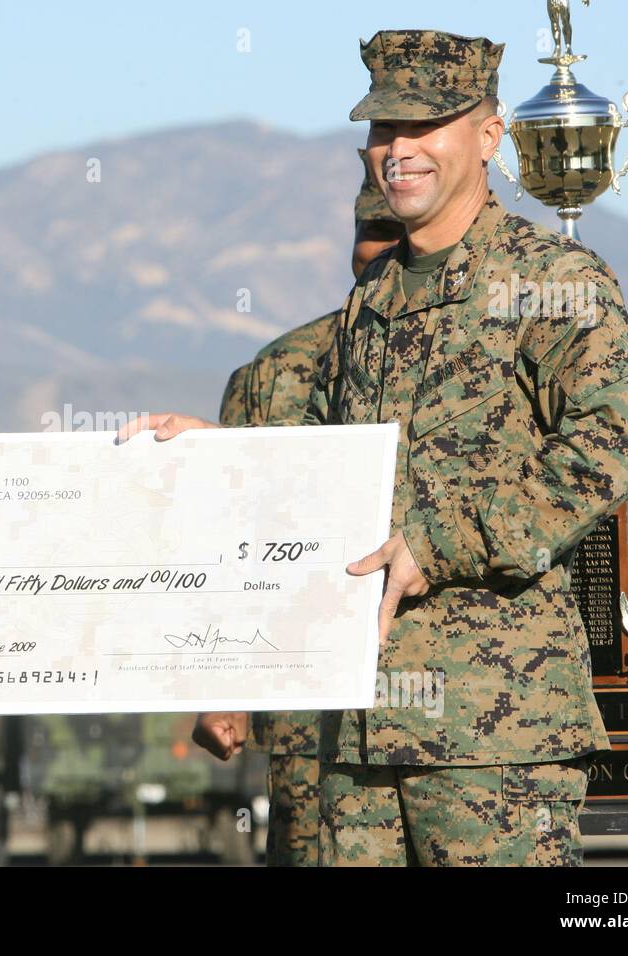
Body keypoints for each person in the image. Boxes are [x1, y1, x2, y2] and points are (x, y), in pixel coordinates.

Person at [123, 29, 628, 866]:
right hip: (349, 736)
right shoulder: (369, 301)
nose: (397, 151)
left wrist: (438, 544)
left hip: (490, 741)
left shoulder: (552, 279)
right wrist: (220, 456)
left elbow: (613, 441)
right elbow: (330, 472)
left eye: (425, 127)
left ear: (488, 137)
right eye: (382, 131)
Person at [198, 150, 403, 867]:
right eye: (369, 231)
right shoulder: (275, 373)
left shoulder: (491, 348)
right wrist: (220, 688)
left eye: (395, 230)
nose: (379, 249)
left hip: (458, 693)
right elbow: (231, 541)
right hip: (309, 711)